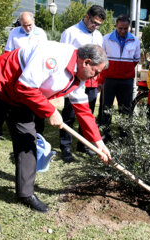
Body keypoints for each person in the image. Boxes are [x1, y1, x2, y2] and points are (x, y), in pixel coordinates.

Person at [0, 42, 112, 233]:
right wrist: (50, 111)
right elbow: (25, 86)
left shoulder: (79, 76)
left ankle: (26, 193)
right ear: (86, 62)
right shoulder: (51, 56)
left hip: (23, 96)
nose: (97, 76)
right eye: (96, 71)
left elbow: (83, 110)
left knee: (28, 142)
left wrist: (98, 143)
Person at [59, 5, 106, 162]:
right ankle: (65, 147)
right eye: (93, 22)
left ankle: (83, 145)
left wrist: (99, 80)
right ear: (86, 17)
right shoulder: (70, 32)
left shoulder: (99, 35)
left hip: (92, 82)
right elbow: (63, 56)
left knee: (88, 113)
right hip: (73, 81)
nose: (95, 26)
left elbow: (99, 60)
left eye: (98, 24)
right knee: (70, 115)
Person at [4, 11, 48, 135]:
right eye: (24, 25)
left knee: (38, 100)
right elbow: (7, 53)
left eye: (29, 24)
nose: (27, 28)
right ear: (20, 23)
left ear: (33, 21)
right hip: (19, 72)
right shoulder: (14, 32)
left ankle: (39, 131)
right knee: (20, 101)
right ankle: (20, 126)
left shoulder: (41, 33)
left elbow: (45, 53)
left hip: (37, 73)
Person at [100, 14, 140, 139]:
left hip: (127, 80)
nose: (123, 31)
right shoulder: (106, 39)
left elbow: (136, 60)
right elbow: (102, 59)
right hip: (109, 79)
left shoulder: (135, 40)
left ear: (129, 27)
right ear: (116, 25)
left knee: (125, 108)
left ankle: (124, 134)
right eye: (120, 28)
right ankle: (106, 134)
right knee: (106, 107)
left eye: (125, 28)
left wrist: (125, 70)